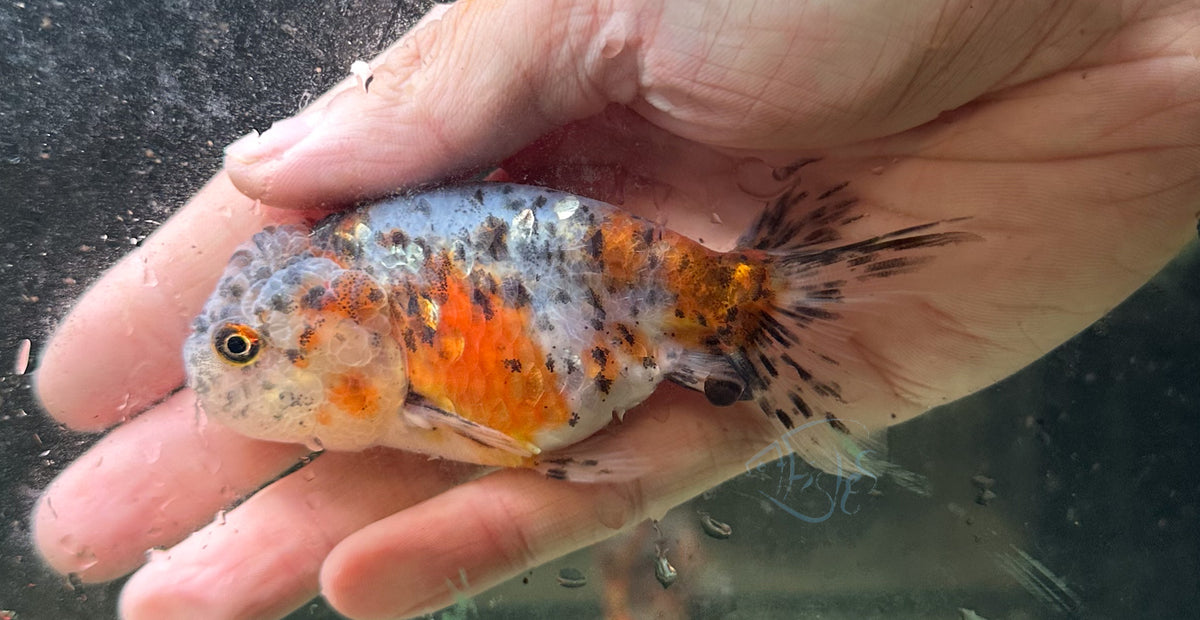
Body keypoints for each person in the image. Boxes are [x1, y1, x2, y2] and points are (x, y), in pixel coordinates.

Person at [31, 1, 1200, 618]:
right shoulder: (377, 340)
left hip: (601, 300)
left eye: (240, 349)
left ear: (336, 323)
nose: (229, 374)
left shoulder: (399, 319)